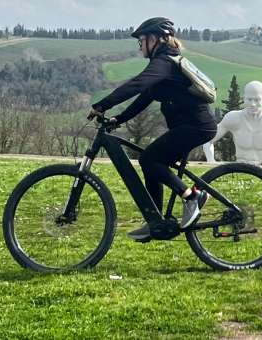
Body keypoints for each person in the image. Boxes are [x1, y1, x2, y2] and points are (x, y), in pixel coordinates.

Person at [89, 17, 217, 241]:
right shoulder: (163, 64)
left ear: (156, 39)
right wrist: (118, 118)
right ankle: (155, 221)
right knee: (151, 162)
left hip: (197, 127)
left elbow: (136, 84)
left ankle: (192, 197)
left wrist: (102, 105)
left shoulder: (164, 63)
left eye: (142, 40)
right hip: (188, 126)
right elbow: (145, 96)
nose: (140, 45)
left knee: (149, 159)